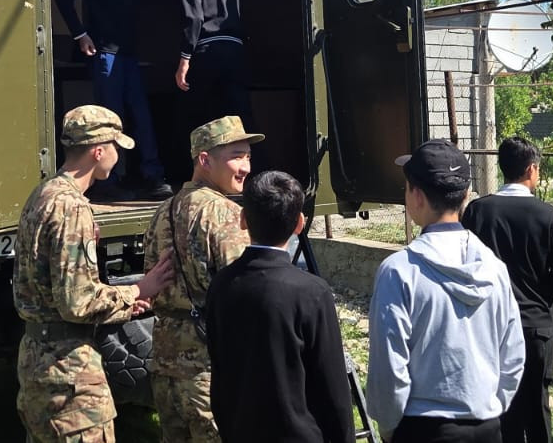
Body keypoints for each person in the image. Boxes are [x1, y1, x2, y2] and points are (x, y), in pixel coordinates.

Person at [14, 105, 175, 443]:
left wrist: (124, 306)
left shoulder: (42, 194)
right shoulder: (72, 208)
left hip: (39, 360)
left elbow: (52, 288)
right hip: (69, 369)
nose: (117, 156)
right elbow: (76, 301)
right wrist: (137, 289)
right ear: (98, 151)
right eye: (115, 148)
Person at [368, 138, 525, 443]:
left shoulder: (400, 271)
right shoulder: (494, 268)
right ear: (466, 195)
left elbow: (389, 366)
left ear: (416, 195)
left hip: (422, 428)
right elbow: (514, 354)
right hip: (487, 426)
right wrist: (493, 405)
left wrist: (388, 426)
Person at [204, 170, 353, 443]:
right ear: (299, 223)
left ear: (243, 220)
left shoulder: (222, 284)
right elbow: (333, 388)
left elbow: (219, 371)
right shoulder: (311, 292)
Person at [143, 116, 263, 443]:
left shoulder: (163, 210)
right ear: (205, 160)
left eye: (248, 156)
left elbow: (152, 284)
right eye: (236, 156)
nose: (246, 167)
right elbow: (244, 294)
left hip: (166, 367)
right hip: (209, 370)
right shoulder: (224, 214)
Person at [461, 136, 553, 443]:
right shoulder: (548, 215)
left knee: (498, 407)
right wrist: (538, 297)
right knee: (537, 407)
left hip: (488, 326)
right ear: (532, 169)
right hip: (534, 326)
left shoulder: (477, 212)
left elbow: (466, 266)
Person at [56, 0, 172, 201]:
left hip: (129, 55)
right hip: (106, 54)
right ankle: (109, 179)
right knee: (111, 117)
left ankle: (152, 175)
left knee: (141, 115)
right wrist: (80, 34)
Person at [172, 0, 253, 135]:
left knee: (200, 116)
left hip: (208, 52)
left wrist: (184, 58)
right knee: (239, 116)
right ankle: (251, 162)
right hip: (236, 51)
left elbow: (194, 18)